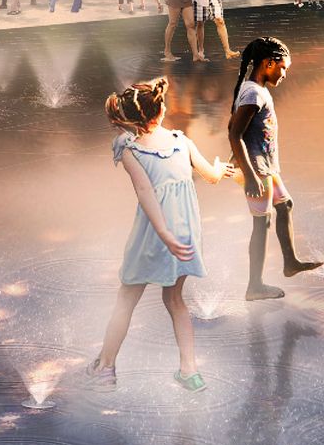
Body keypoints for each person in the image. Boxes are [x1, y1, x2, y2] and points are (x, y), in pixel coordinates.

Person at [86, 77, 232, 392]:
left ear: (130, 118)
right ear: (162, 109)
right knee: (175, 300)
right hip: (185, 235)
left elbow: (145, 192)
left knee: (126, 299)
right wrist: (221, 168)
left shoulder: (130, 149)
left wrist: (163, 234)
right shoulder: (182, 142)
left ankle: (106, 368)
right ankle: (190, 372)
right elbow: (211, 176)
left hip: (155, 235)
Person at [225, 38, 322, 301]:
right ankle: (254, 286)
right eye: (283, 68)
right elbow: (234, 134)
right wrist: (250, 175)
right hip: (256, 169)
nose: (284, 74)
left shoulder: (256, 90)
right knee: (262, 222)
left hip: (265, 166)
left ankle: (290, 263)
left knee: (285, 205)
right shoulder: (253, 94)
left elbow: (233, 126)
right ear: (269, 63)